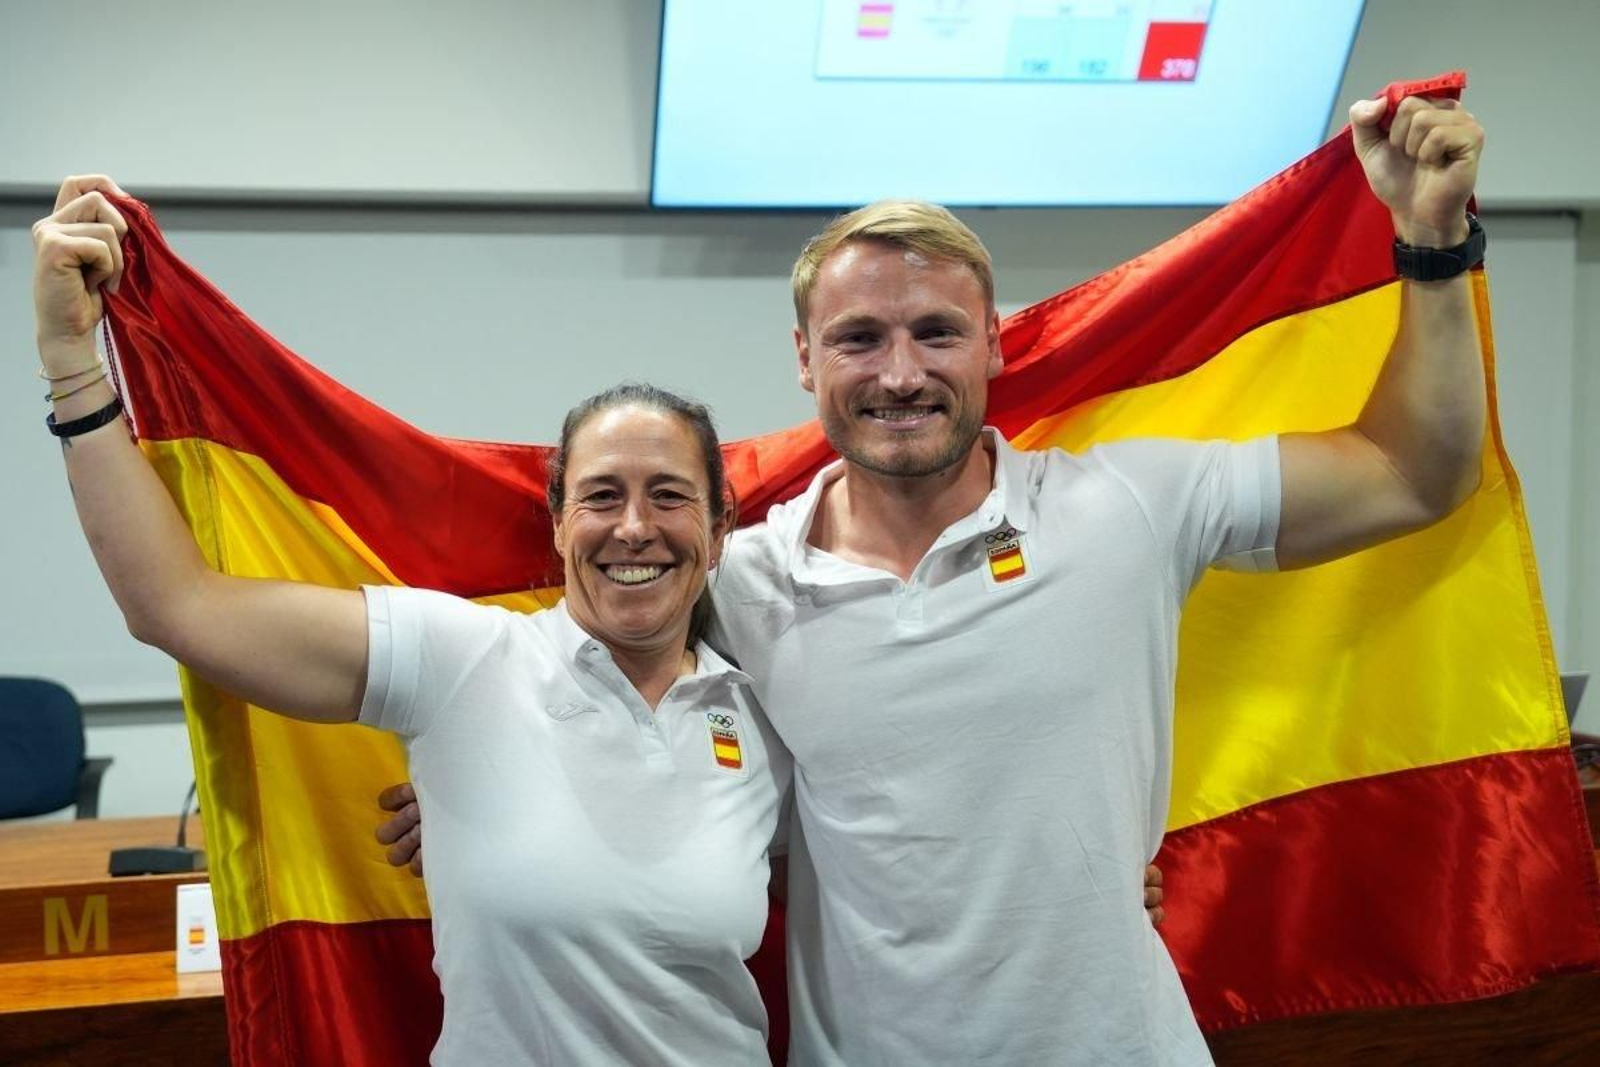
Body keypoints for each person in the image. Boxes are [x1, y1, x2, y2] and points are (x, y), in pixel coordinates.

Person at [379, 91, 1489, 1063]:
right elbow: (604, 697)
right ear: (805, 360)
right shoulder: (743, 580)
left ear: (995, 346)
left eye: (935, 331)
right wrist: (490, 790)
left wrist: (1431, 248)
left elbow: (1410, 471)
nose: (899, 371)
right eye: (859, 338)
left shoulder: (1129, 507)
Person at [31, 184, 792, 1064]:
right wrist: (69, 362)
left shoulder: (765, 710)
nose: (633, 528)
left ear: (719, 526)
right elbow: (178, 605)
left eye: (669, 496)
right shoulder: (462, 658)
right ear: (556, 521)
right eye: (600, 496)